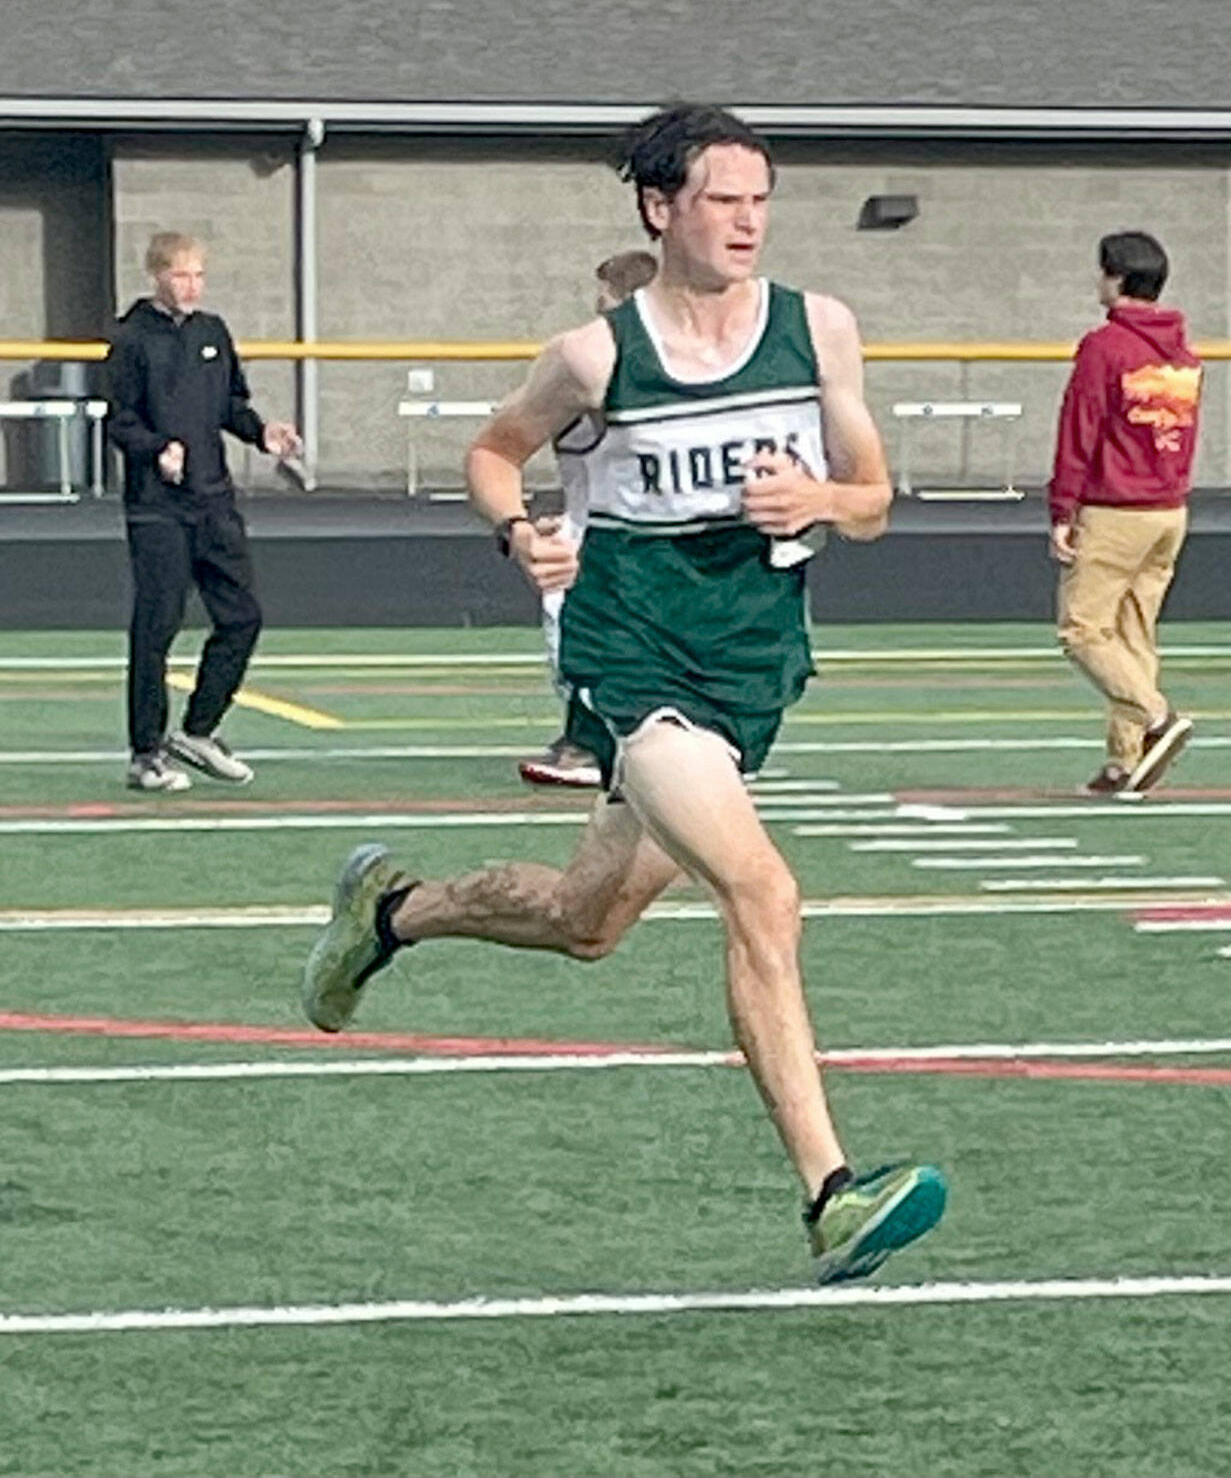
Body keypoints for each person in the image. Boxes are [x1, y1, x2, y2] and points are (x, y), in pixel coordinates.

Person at [302, 103, 947, 1285]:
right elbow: (492, 449)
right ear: (660, 208)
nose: (746, 219)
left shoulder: (820, 331)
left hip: (746, 665)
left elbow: (874, 495)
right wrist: (519, 532)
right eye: (720, 197)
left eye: (759, 198)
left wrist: (820, 499)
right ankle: (831, 1193)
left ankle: (388, 911)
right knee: (761, 887)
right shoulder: (599, 352)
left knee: (584, 920)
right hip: (631, 657)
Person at [105, 232, 302, 793]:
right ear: (157, 276)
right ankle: (146, 753)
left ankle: (199, 730)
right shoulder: (130, 339)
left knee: (242, 617)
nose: (191, 285)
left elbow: (230, 406)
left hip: (214, 502)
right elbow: (119, 421)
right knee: (156, 628)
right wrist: (155, 450)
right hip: (157, 510)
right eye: (181, 275)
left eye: (198, 275)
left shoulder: (212, 332)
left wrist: (264, 433)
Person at [1049, 231, 1202, 796]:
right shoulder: (1183, 352)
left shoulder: (1106, 346)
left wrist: (1062, 507)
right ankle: (1125, 760)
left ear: (1116, 278)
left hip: (1115, 509)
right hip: (1169, 510)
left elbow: (1080, 429)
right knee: (1134, 636)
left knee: (1083, 631)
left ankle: (1155, 715)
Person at [519, 247, 658, 790]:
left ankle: (595, 744)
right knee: (576, 638)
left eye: (606, 295)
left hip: (619, 535)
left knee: (579, 637)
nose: (597, 306)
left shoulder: (621, 370)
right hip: (587, 524)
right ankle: (593, 739)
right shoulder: (585, 364)